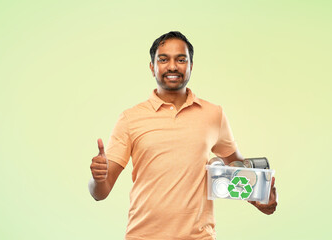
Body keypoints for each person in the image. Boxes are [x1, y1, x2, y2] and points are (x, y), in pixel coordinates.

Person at [88, 31, 277, 240]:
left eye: (181, 59)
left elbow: (238, 171)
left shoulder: (214, 114)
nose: (172, 66)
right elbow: (100, 192)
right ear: (152, 67)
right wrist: (98, 179)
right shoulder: (130, 118)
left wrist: (261, 199)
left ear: (191, 66)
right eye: (163, 59)